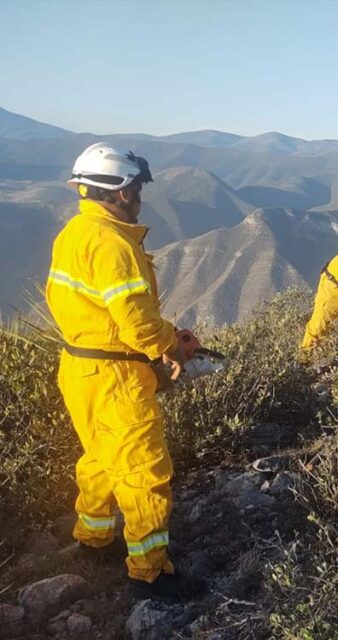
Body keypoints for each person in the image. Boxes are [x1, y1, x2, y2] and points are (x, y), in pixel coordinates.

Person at [46, 143, 193, 600]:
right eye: (136, 188)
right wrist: (172, 344)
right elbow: (138, 322)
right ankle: (150, 573)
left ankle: (93, 538)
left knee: (99, 457)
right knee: (145, 471)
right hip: (115, 376)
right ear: (122, 191)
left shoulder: (76, 231)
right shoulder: (113, 243)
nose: (140, 196)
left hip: (78, 366)